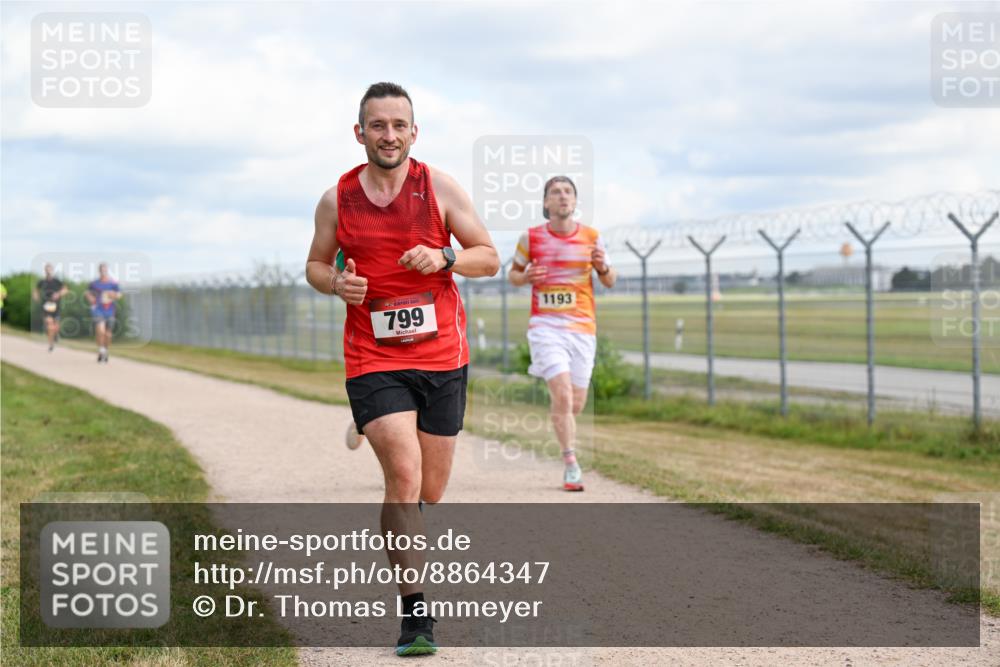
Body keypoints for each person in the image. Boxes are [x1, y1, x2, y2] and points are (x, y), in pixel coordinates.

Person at [305, 82, 499, 656]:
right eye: (377, 125)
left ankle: (369, 424)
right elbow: (315, 264)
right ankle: (416, 616)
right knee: (405, 477)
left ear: (414, 132)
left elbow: (487, 255)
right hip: (374, 356)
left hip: (441, 356)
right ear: (359, 132)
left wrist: (445, 255)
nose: (388, 135)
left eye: (399, 125)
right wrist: (337, 283)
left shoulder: (438, 188)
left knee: (431, 492)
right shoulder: (336, 199)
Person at [508, 176, 617, 492]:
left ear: (575, 201)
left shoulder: (592, 238)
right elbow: (513, 275)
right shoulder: (530, 238)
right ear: (546, 203)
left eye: (568, 192)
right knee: (564, 394)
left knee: (576, 403)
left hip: (582, 328)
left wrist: (604, 269)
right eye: (555, 192)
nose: (562, 197)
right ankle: (571, 463)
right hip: (545, 327)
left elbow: (610, 280)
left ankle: (561, 421)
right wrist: (525, 275)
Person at [85, 263, 120, 363]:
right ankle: (101, 349)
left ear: (107, 270)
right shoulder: (94, 283)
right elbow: (87, 293)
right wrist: (90, 298)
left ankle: (105, 350)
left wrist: (113, 294)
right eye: (101, 270)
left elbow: (119, 295)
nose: (103, 271)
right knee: (100, 331)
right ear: (99, 271)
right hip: (97, 309)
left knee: (108, 334)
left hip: (110, 310)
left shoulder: (113, 283)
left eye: (105, 269)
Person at [32, 263, 69, 352]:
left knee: (56, 326)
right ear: (45, 271)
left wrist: (58, 294)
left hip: (56, 306)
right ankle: (51, 344)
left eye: (50, 270)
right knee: (49, 324)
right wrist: (36, 296)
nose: (48, 271)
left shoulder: (57, 281)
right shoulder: (42, 282)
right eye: (47, 270)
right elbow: (35, 290)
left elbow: (66, 289)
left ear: (52, 270)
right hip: (45, 306)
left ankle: (56, 335)